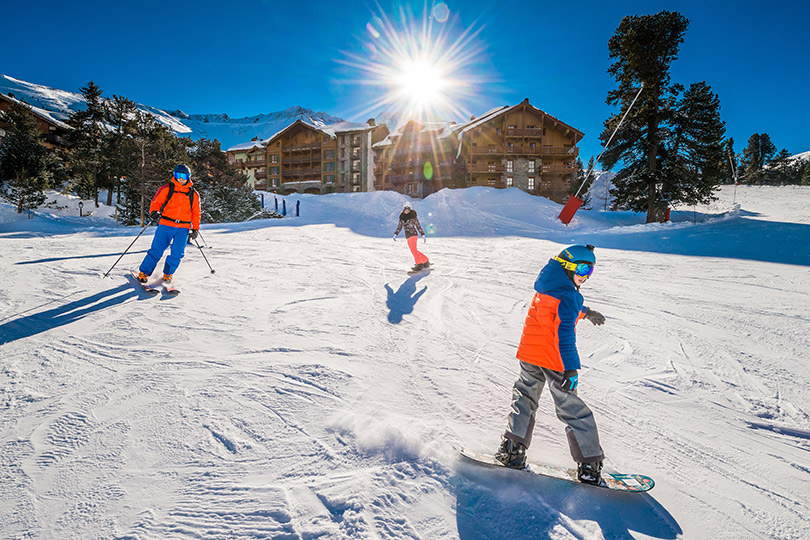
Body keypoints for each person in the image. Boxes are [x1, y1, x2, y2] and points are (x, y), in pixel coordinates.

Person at [494, 244, 607, 484]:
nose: (585, 276)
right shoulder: (569, 295)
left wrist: (585, 312)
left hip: (530, 353)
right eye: (583, 269)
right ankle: (589, 464)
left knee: (524, 397)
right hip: (555, 358)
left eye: (591, 271)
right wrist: (571, 368)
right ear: (567, 267)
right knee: (571, 407)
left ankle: (513, 450)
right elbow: (565, 330)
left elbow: (556, 309)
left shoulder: (548, 284)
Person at [137, 164, 201, 284]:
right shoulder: (167, 188)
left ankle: (168, 274)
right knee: (157, 249)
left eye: (184, 176)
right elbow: (156, 202)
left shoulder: (193, 194)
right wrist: (154, 212)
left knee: (177, 253)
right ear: (174, 175)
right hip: (166, 225)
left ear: (189, 177)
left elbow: (196, 213)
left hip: (183, 228)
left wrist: (195, 229)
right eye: (178, 175)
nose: (181, 178)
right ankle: (144, 272)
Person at [393, 201, 429, 271]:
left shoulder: (413, 216)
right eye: (405, 210)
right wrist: (396, 234)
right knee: (413, 250)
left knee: (413, 250)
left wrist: (422, 234)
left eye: (408, 210)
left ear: (410, 210)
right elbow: (399, 227)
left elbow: (418, 225)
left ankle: (419, 265)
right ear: (403, 210)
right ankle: (425, 261)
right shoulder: (402, 217)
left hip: (413, 234)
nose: (407, 211)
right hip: (408, 236)